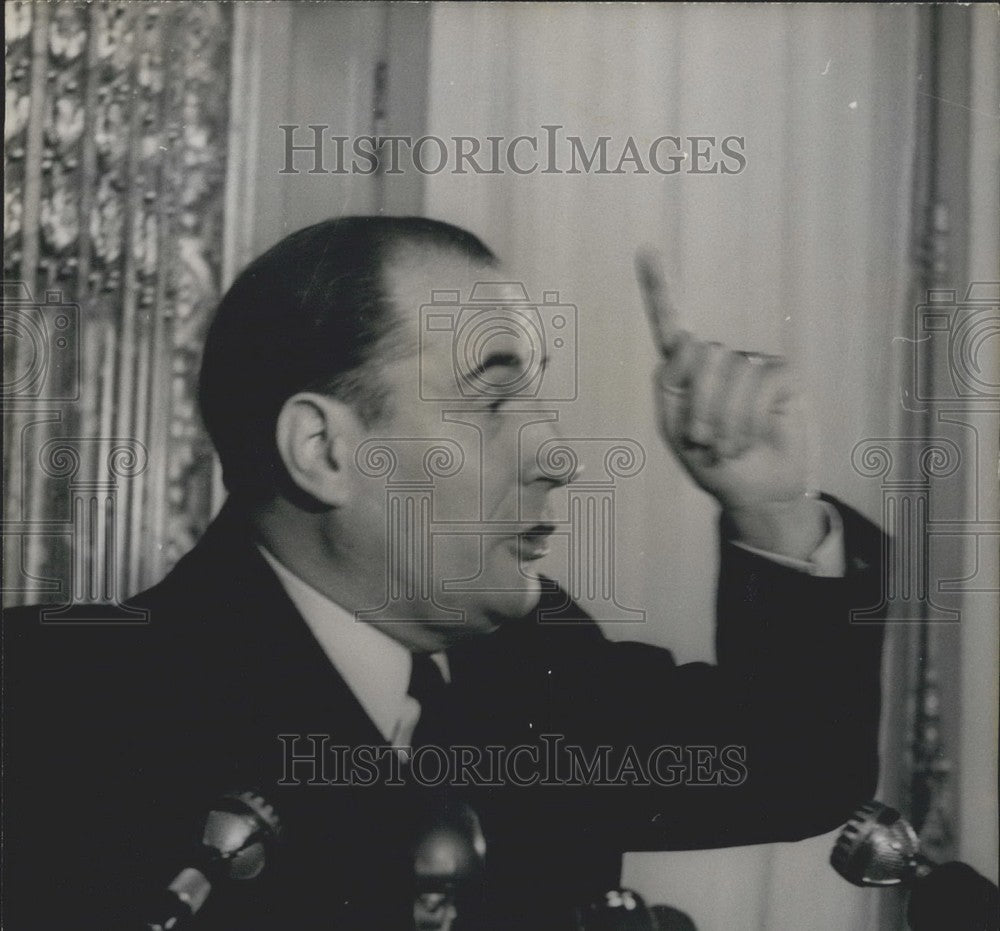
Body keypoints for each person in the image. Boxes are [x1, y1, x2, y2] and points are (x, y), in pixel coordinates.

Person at [3, 216, 885, 929]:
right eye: (493, 399)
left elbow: (792, 765)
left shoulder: (534, 661)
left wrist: (773, 506)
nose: (558, 456)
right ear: (323, 449)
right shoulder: (57, 703)